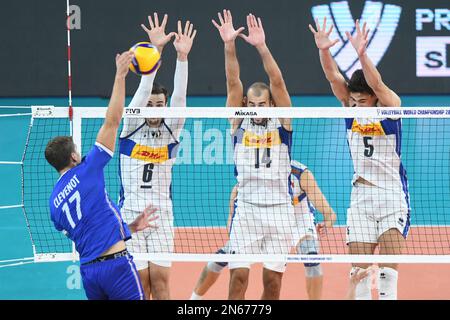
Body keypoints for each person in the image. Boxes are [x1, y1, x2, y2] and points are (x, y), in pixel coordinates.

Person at [309, 17, 410, 300]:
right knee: (360, 278)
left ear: (374, 99)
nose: (355, 106)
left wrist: (362, 54)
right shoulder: (350, 109)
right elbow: (333, 77)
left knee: (387, 281)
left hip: (391, 196)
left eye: (361, 101)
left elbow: (376, 83)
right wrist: (323, 50)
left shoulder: (391, 108)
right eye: (352, 101)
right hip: (361, 199)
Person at [45, 51, 159, 300]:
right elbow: (113, 120)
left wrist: (128, 228)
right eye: (77, 150)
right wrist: (120, 75)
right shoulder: (88, 169)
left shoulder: (54, 204)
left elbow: (89, 229)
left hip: (89, 273)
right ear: (74, 157)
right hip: (116, 268)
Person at [213, 10, 295, 300]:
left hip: (280, 211)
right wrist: (228, 44)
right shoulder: (239, 121)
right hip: (247, 210)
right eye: (254, 103)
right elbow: (232, 80)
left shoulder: (283, 122)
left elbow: (278, 81)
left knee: (273, 284)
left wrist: (261, 47)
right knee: (238, 279)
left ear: (271, 104)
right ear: (246, 103)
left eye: (264, 103)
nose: (259, 108)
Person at [119, 13, 196, 300]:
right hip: (131, 214)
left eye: (159, 105)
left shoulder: (172, 130)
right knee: (140, 287)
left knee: (162, 285)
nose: (154, 109)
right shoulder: (130, 128)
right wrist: (155, 52)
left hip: (162, 215)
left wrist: (182, 58)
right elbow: (140, 92)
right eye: (150, 105)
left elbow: (180, 98)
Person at [190, 161, 337, 300]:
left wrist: (328, 222)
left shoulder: (300, 174)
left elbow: (330, 213)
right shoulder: (247, 183)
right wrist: (237, 240)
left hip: (298, 221)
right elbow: (231, 222)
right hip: (259, 222)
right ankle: (193, 300)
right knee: (220, 258)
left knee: (311, 258)